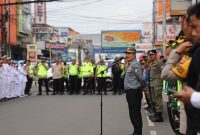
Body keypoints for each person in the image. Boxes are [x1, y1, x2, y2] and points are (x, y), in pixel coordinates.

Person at [124, 47, 144, 135]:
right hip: (130, 92)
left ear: (134, 54)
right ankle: (136, 131)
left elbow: (140, 78)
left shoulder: (135, 64)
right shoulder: (130, 64)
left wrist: (145, 87)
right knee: (132, 113)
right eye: (126, 53)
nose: (127, 55)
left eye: (129, 53)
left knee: (135, 113)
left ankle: (138, 132)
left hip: (134, 92)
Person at [147, 49, 164, 122]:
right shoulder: (151, 63)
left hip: (157, 83)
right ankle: (156, 113)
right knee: (153, 99)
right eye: (149, 55)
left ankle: (159, 116)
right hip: (152, 83)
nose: (150, 56)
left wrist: (161, 82)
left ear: (156, 55)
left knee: (158, 99)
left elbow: (163, 72)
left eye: (152, 55)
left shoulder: (159, 62)